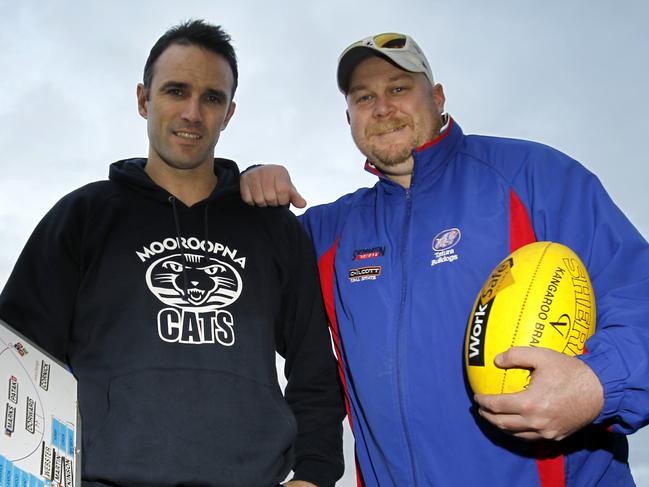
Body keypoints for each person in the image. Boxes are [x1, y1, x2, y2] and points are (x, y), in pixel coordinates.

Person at [240, 32, 649, 486]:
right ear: (349, 117)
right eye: (364, 97)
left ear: (436, 97)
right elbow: (232, 271)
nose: (382, 107)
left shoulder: (535, 178)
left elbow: (638, 294)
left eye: (398, 88)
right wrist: (249, 184)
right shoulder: (329, 232)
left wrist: (599, 384)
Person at [0, 20, 345, 487]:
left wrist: (315, 474)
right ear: (143, 99)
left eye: (211, 98)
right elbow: (16, 357)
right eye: (176, 91)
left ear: (229, 113)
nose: (193, 113)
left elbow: (315, 370)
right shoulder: (84, 216)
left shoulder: (271, 226)